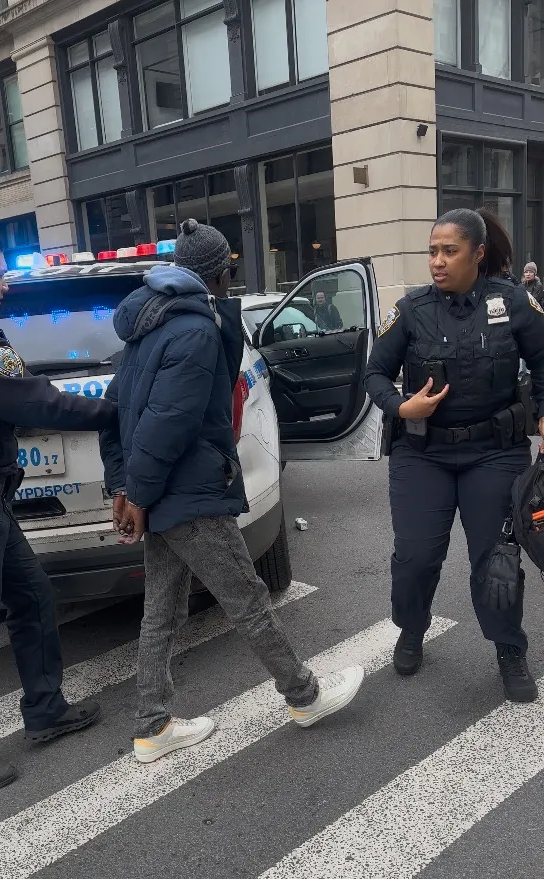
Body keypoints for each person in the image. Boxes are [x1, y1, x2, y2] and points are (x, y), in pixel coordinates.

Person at [99, 219, 364, 763]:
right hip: (187, 492)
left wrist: (126, 487)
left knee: (162, 607)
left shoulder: (146, 325)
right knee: (246, 598)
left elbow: (117, 414)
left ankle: (153, 726)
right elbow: (167, 425)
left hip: (162, 493)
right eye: (229, 272)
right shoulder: (193, 331)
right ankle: (304, 696)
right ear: (221, 273)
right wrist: (139, 496)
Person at [364, 208, 544, 703]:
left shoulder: (513, 302)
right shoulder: (413, 309)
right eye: (432, 251)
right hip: (423, 455)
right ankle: (411, 629)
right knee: (417, 555)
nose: (437, 262)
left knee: (495, 560)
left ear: (478, 254)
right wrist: (402, 404)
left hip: (495, 452)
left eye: (449, 251)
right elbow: (374, 372)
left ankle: (509, 648)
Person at [0, 228, 118, 792]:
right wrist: (112, 412)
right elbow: (37, 399)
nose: (4, 284)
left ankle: (45, 710)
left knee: (31, 596)